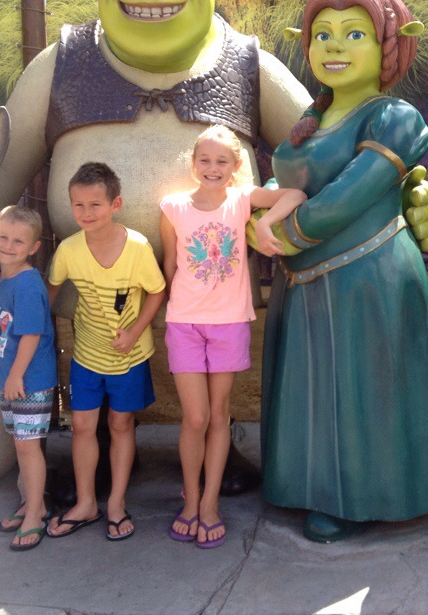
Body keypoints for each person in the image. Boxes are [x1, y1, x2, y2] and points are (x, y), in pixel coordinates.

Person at [260, 0, 428, 542]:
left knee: (363, 389)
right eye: (322, 35)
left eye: (354, 34)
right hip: (302, 281)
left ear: (391, 45)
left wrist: (284, 233)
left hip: (368, 277)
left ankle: (366, 496)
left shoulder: (395, 117)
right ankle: (306, 486)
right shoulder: (309, 119)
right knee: (312, 389)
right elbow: (285, 184)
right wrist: (254, 218)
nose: (334, 46)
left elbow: (350, 193)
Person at [160, 125, 306, 548]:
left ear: (236, 166)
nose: (213, 168)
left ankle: (209, 504)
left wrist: (266, 225)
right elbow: (170, 266)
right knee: (195, 418)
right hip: (185, 323)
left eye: (222, 161)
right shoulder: (172, 207)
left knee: (219, 414)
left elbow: (296, 195)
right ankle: (190, 499)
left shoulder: (243, 199)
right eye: (205, 160)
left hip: (229, 323)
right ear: (193, 164)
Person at [45, 162, 166, 541]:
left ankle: (116, 502)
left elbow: (157, 292)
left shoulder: (138, 247)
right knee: (82, 426)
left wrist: (134, 332)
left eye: (95, 204)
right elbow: (48, 293)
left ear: (116, 204)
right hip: (87, 355)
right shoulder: (68, 250)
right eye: (78, 205)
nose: (86, 213)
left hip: (129, 356)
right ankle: (85, 503)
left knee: (120, 424)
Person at [0, 205, 58, 551]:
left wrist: (15, 376)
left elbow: (31, 335)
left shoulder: (28, 286)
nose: (8, 245)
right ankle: (34, 503)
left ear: (34, 247)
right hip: (11, 379)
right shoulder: (2, 274)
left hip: (29, 380)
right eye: (3, 237)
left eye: (19, 241)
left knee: (28, 448)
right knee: (21, 445)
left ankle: (34, 514)